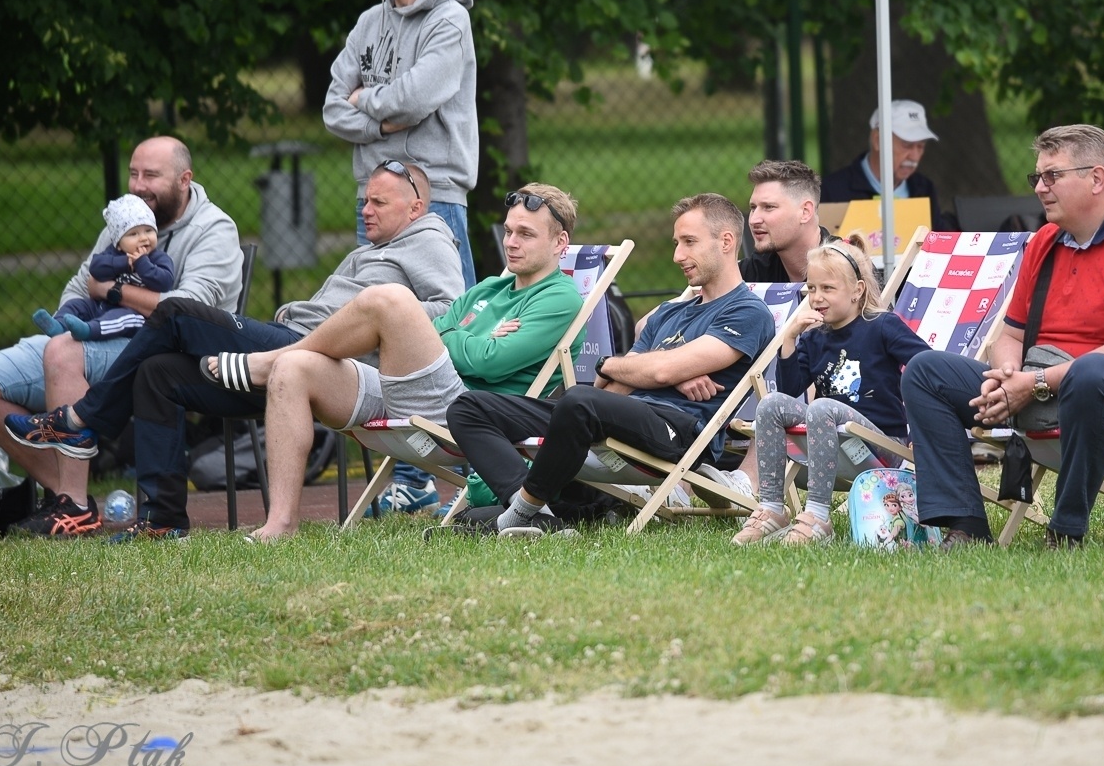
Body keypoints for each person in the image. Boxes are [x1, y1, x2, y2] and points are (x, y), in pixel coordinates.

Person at [2, 161, 460, 539]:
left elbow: (446, 310)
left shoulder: (429, 238)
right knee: (158, 372)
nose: (365, 211)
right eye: (364, 201)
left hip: (328, 365)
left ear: (416, 207)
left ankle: (82, 420)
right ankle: (162, 523)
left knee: (177, 312)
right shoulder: (370, 252)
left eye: (378, 202)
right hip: (287, 354)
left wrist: (367, 318)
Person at [899, 124, 1104, 549]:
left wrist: (1034, 383)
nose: (1040, 188)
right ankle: (966, 526)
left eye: (1052, 176)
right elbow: (1011, 335)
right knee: (925, 370)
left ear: (1096, 178)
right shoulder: (1044, 241)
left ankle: (1065, 531)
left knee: (1095, 371)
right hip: (1049, 393)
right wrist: (1007, 377)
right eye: (1037, 177)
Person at [234, 184, 586, 542]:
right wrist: (474, 339)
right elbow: (438, 331)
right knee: (294, 371)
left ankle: (275, 353)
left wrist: (460, 338)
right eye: (509, 231)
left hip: (466, 412)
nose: (511, 242)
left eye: (526, 234)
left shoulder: (560, 298)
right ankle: (280, 525)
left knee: (392, 299)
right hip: (417, 391)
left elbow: (488, 363)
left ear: (560, 243)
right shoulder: (490, 288)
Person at [443, 193, 776, 537]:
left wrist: (652, 371)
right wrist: (648, 370)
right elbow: (615, 383)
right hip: (618, 415)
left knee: (577, 400)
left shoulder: (747, 312)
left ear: (726, 242)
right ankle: (534, 513)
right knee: (469, 407)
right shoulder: (668, 312)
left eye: (689, 242)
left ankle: (518, 513)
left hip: (678, 430)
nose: (678, 255)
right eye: (676, 243)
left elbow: (657, 371)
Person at [0, 137, 242, 538]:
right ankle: (65, 496)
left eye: (151, 175)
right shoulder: (124, 220)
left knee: (63, 354)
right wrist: (70, 320)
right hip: (96, 337)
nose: (139, 184)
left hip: (172, 356)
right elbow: (80, 285)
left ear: (184, 179)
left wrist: (113, 293)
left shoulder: (214, 228)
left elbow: (188, 308)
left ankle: (72, 507)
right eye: (133, 173)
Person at [323, 0, 479, 506]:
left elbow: (420, 97)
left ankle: (465, 469)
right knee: (381, 337)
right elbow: (335, 108)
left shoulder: (449, 21)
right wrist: (381, 117)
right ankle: (406, 481)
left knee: (446, 332)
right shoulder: (367, 24)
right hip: (379, 201)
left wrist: (375, 104)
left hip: (435, 197)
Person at [734, 239, 926, 546]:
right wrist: (790, 339)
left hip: (882, 446)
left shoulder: (882, 326)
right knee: (771, 404)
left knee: (822, 406)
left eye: (827, 288)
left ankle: (818, 516)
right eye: (811, 289)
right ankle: (771, 507)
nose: (817, 298)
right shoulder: (814, 338)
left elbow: (925, 367)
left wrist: (920, 429)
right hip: (832, 439)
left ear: (857, 290)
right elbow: (789, 391)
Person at [31, 194, 175, 341]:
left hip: (135, 315)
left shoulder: (159, 258)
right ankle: (59, 325)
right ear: (118, 243)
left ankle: (88, 331)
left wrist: (142, 263)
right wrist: (125, 263)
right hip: (102, 306)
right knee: (76, 305)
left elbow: (165, 282)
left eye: (149, 231)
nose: (143, 238)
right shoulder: (114, 254)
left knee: (120, 318)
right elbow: (96, 268)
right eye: (133, 234)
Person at [820, 100, 946, 228]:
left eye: (920, 146)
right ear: (878, 140)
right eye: (906, 145)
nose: (914, 156)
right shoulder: (832, 190)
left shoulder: (925, 188)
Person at [740, 159, 835, 284]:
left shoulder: (849, 271)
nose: (753, 220)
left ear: (805, 212)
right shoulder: (752, 272)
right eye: (753, 208)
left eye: (769, 207)